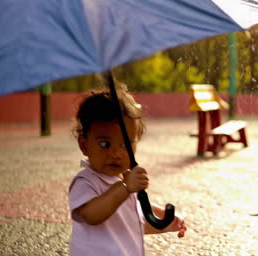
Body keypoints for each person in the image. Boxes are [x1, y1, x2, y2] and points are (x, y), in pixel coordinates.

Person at [69, 84, 186, 255]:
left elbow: (131, 222)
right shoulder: (86, 181)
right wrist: (125, 188)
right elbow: (91, 215)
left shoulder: (122, 182)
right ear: (84, 144)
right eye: (104, 144)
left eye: (125, 144)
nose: (116, 153)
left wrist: (165, 221)